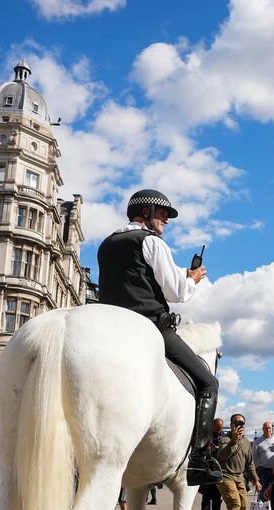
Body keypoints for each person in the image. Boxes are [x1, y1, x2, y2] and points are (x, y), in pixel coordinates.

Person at [97, 188, 219, 486]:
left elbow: (136, 278)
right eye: (163, 215)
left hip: (111, 325)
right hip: (150, 325)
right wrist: (192, 279)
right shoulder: (152, 241)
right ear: (147, 213)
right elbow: (175, 292)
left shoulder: (106, 244)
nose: (166, 221)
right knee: (208, 382)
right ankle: (200, 461)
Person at [214, 414, 258, 510]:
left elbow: (250, 463)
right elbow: (221, 455)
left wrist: (255, 480)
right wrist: (234, 440)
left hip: (239, 478)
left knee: (244, 505)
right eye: (237, 422)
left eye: (242, 423)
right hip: (225, 476)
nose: (240, 425)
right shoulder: (225, 439)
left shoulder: (246, 442)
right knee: (235, 504)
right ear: (231, 424)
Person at [198, 419, 225, 510]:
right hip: (206, 471)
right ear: (213, 426)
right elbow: (200, 452)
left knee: (217, 499)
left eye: (221, 429)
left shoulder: (223, 438)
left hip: (218, 472)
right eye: (217, 428)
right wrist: (209, 450)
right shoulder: (205, 436)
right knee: (206, 499)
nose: (219, 431)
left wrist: (218, 449)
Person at [252, 421, 274, 501]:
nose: (268, 429)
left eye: (269, 428)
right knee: (263, 493)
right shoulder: (257, 442)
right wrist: (257, 470)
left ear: (272, 428)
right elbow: (254, 457)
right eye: (266, 428)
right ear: (263, 429)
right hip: (263, 471)